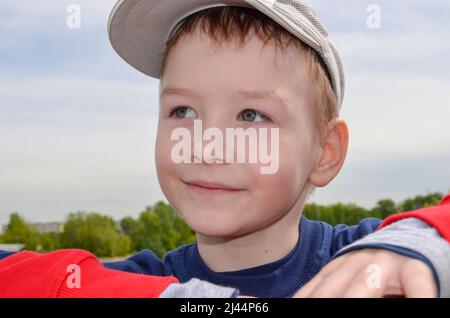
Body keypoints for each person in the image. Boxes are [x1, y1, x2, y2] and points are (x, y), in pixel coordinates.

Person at [1, 0, 450, 298]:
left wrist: (419, 241)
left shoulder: (371, 262)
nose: (206, 147)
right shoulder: (140, 280)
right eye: (183, 111)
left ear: (325, 152)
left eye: (251, 116)